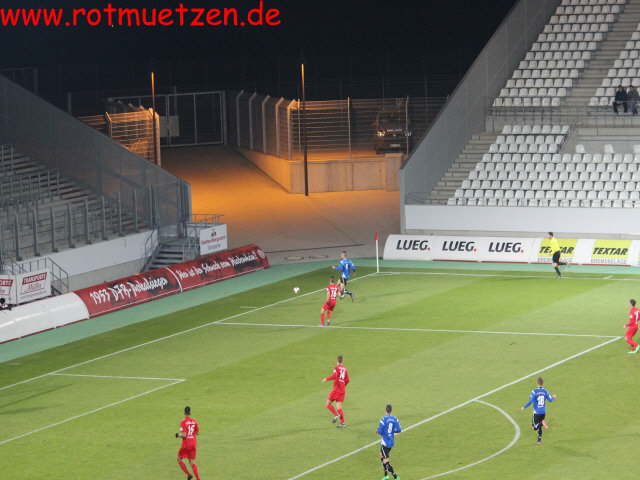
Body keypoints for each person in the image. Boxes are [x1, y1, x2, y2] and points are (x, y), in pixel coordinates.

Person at [522, 377, 557, 445]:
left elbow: (530, 401)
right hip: (543, 412)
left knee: (534, 427)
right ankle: (539, 440)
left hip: (537, 412)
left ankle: (542, 423)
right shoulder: (546, 391)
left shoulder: (534, 391)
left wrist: (524, 407)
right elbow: (550, 400)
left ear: (537, 383)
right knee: (539, 426)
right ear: (543, 383)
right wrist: (554, 397)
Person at [322, 355, 349, 428]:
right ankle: (343, 423)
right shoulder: (345, 369)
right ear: (343, 361)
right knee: (339, 407)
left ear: (337, 360)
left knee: (327, 404)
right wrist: (343, 386)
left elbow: (334, 376)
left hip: (336, 389)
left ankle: (336, 415)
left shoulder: (336, 368)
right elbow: (347, 380)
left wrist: (326, 379)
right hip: (342, 390)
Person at [377, 404, 402, 480]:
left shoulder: (383, 419)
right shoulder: (395, 419)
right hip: (391, 442)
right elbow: (399, 430)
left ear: (385, 410)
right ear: (391, 410)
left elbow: (379, 431)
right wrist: (392, 432)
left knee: (386, 462)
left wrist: (379, 432)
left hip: (385, 443)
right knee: (381, 455)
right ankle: (385, 475)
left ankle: (395, 477)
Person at [175, 406, 201, 480]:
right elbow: (197, 432)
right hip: (193, 443)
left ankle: (189, 475)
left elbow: (184, 435)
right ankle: (198, 479)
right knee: (191, 462)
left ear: (184, 413)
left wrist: (178, 435)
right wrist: (192, 434)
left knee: (179, 459)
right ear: (190, 413)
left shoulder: (183, 422)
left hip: (186, 444)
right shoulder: (194, 421)